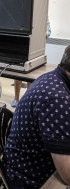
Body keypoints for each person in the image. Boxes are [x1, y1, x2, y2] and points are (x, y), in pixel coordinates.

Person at [4, 45, 70, 188]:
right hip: (28, 176)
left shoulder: (53, 78)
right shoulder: (57, 100)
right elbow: (68, 175)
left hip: (25, 162)